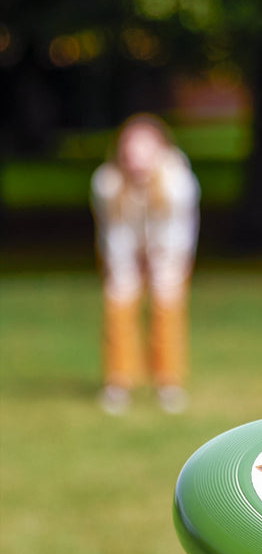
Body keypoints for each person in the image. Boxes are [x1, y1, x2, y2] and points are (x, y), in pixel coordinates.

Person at [91, 113, 200, 414]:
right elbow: (114, 232)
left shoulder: (178, 182)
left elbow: (177, 232)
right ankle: (118, 382)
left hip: (168, 251)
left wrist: (160, 264)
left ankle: (168, 382)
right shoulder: (107, 182)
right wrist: (126, 267)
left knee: (167, 307)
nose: (136, 157)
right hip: (123, 250)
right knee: (118, 303)